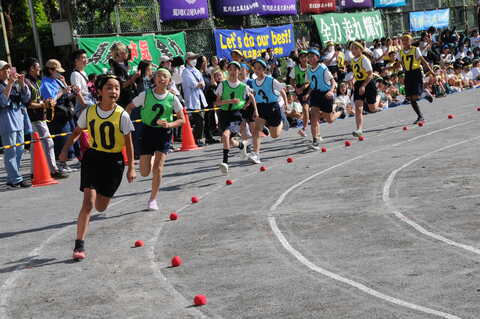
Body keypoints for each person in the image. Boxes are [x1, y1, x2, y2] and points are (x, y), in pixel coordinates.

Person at [59, 74, 136, 261]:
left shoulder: (122, 115)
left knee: (101, 207)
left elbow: (129, 143)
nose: (114, 91)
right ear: (100, 91)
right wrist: (64, 150)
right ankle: (79, 245)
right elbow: (77, 132)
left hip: (114, 162)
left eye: (117, 88)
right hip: (93, 158)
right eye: (109, 87)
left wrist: (131, 167)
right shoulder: (89, 112)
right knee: (88, 203)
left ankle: (103, 193)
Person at [127, 69, 185, 210]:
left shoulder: (172, 98)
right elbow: (129, 107)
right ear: (154, 79)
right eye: (158, 75)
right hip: (147, 132)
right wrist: (125, 124)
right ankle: (151, 158)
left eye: (164, 76)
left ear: (169, 81)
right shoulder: (145, 95)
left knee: (158, 168)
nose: (161, 78)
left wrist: (170, 124)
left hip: (164, 134)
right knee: (145, 172)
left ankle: (153, 199)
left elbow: (182, 119)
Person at [24, 58, 68, 180]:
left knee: (35, 146)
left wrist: (46, 101)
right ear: (32, 68)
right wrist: (44, 104)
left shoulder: (37, 81)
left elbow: (39, 99)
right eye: (37, 67)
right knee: (48, 142)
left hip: (39, 116)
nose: (39, 69)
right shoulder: (27, 83)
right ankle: (53, 170)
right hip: (34, 118)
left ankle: (34, 172)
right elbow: (28, 103)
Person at [215, 61, 256, 174]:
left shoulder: (243, 86)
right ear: (227, 71)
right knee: (227, 140)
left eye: (235, 69)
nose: (233, 72)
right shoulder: (222, 85)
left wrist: (249, 106)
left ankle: (225, 162)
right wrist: (230, 101)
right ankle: (242, 145)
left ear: (239, 71)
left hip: (236, 114)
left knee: (225, 135)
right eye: (231, 69)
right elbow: (217, 103)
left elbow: (252, 96)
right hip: (223, 114)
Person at [40, 59, 79, 171]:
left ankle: (65, 162)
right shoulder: (45, 83)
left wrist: (73, 92)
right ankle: (60, 163)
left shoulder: (57, 80)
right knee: (61, 139)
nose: (59, 73)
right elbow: (51, 100)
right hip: (57, 115)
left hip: (66, 113)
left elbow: (67, 95)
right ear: (50, 70)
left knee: (69, 137)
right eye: (57, 71)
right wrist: (63, 91)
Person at [248, 59, 288, 164]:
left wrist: (286, 104)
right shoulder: (253, 82)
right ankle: (255, 154)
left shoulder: (270, 80)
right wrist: (254, 109)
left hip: (273, 107)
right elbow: (256, 95)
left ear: (264, 69)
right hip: (261, 107)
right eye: (255, 68)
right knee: (256, 130)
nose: (256, 70)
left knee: (274, 135)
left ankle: (281, 121)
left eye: (259, 68)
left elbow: (282, 91)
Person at [0, 60, 32, 188]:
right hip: (7, 122)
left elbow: (26, 98)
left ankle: (12, 177)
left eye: (8, 68)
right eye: (4, 69)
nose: (8, 71)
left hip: (19, 121)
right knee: (11, 152)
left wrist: (22, 84)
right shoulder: (6, 84)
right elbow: (2, 102)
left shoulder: (13, 83)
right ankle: (16, 179)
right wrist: (10, 84)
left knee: (19, 150)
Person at [303, 48, 341, 150]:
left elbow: (333, 82)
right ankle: (315, 140)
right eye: (309, 56)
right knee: (313, 117)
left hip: (325, 94)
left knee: (329, 119)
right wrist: (308, 93)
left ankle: (340, 111)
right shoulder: (309, 70)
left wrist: (331, 91)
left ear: (317, 57)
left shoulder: (323, 68)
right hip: (315, 94)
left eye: (312, 56)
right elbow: (312, 84)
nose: (310, 58)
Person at [396, 34, 435, 124]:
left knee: (416, 96)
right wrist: (396, 65)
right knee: (410, 97)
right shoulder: (400, 52)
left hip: (416, 73)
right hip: (408, 74)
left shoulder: (415, 49)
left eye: (407, 40)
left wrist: (431, 71)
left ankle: (425, 94)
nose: (405, 42)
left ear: (411, 41)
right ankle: (420, 116)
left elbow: (423, 61)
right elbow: (398, 64)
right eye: (403, 40)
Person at [350, 41, 381, 137]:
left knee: (372, 108)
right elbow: (356, 73)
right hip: (359, 83)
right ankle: (359, 129)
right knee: (358, 108)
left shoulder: (364, 59)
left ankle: (379, 97)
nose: (353, 50)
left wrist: (363, 86)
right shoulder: (353, 60)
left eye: (355, 48)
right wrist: (353, 79)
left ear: (360, 49)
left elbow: (370, 74)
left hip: (368, 82)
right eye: (352, 49)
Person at [182, 52, 208, 147]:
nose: (194, 60)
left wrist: (200, 84)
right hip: (192, 99)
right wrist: (200, 84)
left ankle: (196, 137)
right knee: (199, 120)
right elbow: (193, 84)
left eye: (195, 58)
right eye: (192, 58)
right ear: (187, 60)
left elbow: (203, 83)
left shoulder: (196, 70)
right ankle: (198, 138)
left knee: (201, 119)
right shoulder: (186, 71)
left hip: (200, 98)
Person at [290, 50, 310, 138]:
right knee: (305, 109)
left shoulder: (310, 68)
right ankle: (304, 128)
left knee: (309, 109)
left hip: (309, 89)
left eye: (305, 57)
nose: (304, 59)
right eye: (302, 57)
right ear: (299, 59)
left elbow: (308, 82)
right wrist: (295, 88)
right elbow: (291, 80)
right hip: (299, 89)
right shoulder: (295, 68)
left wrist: (300, 89)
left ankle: (306, 128)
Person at [70, 49, 95, 117]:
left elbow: (87, 86)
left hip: (89, 99)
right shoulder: (75, 74)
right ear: (76, 60)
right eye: (83, 57)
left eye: (86, 57)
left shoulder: (83, 72)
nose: (86, 60)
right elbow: (77, 91)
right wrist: (84, 104)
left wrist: (93, 82)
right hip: (84, 101)